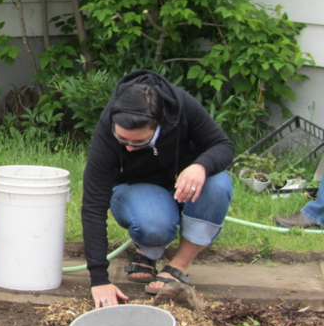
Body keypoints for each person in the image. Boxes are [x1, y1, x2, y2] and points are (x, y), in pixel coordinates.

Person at [82, 70, 234, 308]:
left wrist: (200, 166)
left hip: (185, 185)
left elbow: (222, 145)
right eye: (123, 140)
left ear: (158, 124)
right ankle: (148, 251)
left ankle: (178, 266)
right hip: (135, 188)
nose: (129, 148)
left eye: (139, 142)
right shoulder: (107, 128)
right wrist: (99, 279)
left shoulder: (183, 106)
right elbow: (93, 205)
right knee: (153, 223)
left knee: (218, 182)